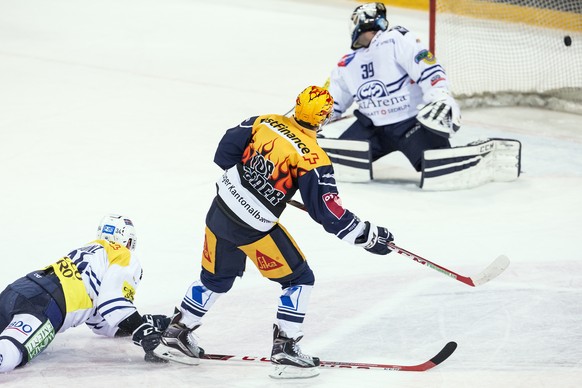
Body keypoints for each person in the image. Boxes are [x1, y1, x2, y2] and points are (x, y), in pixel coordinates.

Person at [152, 86, 394, 379]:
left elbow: (224, 153)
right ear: (325, 118)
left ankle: (176, 334)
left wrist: (253, 183)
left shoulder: (262, 121)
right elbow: (329, 214)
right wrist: (367, 235)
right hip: (252, 228)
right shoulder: (312, 157)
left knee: (215, 278)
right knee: (299, 278)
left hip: (219, 211)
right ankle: (286, 349)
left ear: (297, 104)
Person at [0, 214, 169, 373]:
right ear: (127, 240)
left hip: (18, 290)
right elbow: (113, 301)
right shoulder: (123, 254)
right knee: (8, 354)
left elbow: (101, 323)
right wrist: (142, 330)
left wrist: (142, 321)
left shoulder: (91, 252)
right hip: (45, 305)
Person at [325, 2, 461, 172]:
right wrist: (310, 121)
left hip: (411, 124)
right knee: (330, 163)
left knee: (440, 168)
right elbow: (332, 102)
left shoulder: (395, 38)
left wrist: (440, 94)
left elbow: (426, 67)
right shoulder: (346, 63)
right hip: (371, 128)